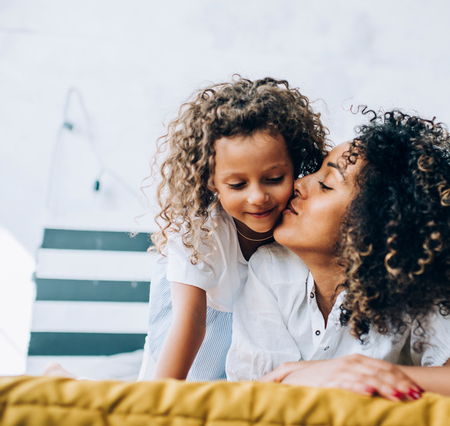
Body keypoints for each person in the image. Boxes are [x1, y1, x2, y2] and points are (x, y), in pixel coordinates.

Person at [227, 110, 450, 414]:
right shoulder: (268, 269)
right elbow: (260, 396)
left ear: (378, 226)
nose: (299, 183)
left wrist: (360, 374)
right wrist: (325, 376)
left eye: (325, 184)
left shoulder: (418, 301)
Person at [140, 76, 327, 380]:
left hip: (254, 338)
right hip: (191, 326)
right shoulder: (199, 232)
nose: (257, 197)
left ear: (295, 166)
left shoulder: (299, 227)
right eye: (238, 184)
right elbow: (190, 321)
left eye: (274, 179)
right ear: (211, 180)